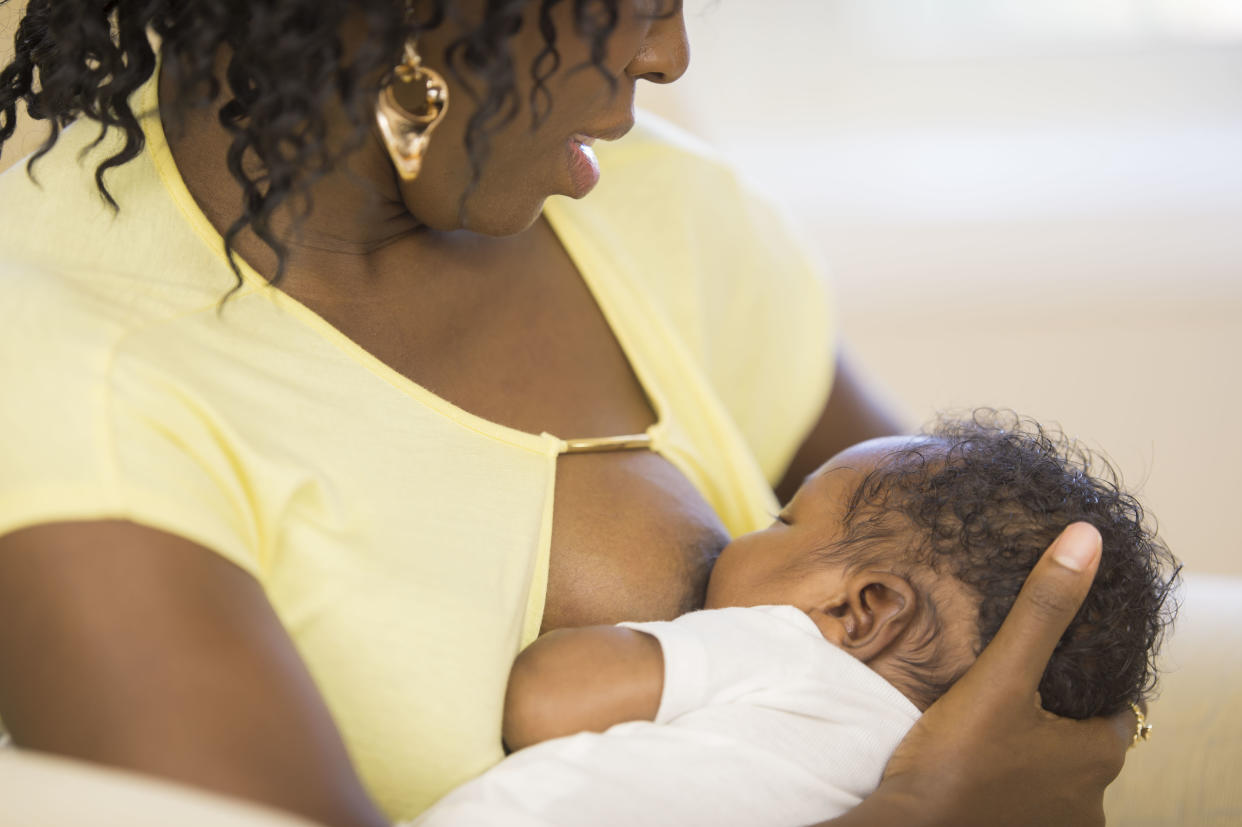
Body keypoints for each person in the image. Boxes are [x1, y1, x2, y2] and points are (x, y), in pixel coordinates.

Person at [0, 2, 1138, 826]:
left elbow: (989, 604)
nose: (668, 51)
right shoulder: (60, 357)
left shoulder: (663, 212)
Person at [410, 414, 1179, 826]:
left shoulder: (786, 646)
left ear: (864, 609)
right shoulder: (947, 773)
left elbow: (543, 700)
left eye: (781, 520)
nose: (740, 533)